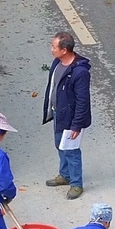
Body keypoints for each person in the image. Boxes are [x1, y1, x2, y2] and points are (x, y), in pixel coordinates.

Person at [41, 31, 91, 200]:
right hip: (58, 114)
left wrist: (76, 125)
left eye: (53, 46)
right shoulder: (57, 63)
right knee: (59, 145)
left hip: (71, 120)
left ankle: (76, 183)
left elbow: (82, 101)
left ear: (64, 50)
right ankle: (65, 174)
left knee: (71, 150)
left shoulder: (79, 72)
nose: (51, 49)